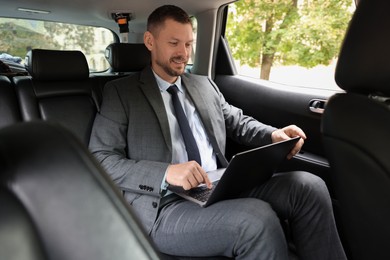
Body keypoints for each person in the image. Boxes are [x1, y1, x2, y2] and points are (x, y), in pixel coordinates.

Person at [89, 4, 346, 260]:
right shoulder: (121, 93)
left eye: (189, 44)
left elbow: (238, 122)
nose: (183, 53)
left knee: (308, 186)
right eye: (174, 43)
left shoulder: (203, 84)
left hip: (219, 184)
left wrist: (273, 135)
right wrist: (166, 172)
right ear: (149, 41)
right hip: (165, 205)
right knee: (256, 220)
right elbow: (100, 159)